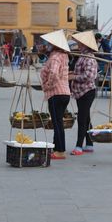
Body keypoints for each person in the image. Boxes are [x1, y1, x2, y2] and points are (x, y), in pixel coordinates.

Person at [40, 30, 71, 160]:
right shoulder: (63, 56)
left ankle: (60, 150)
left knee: (57, 122)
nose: (47, 45)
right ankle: (56, 147)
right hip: (64, 93)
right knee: (57, 121)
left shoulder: (55, 57)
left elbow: (53, 73)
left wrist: (47, 86)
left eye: (49, 43)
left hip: (56, 93)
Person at [69, 31, 98, 156]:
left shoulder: (89, 57)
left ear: (85, 44)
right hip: (80, 92)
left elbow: (89, 76)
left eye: (79, 43)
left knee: (82, 118)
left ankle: (79, 146)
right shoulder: (82, 56)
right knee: (86, 117)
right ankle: (90, 143)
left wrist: (73, 77)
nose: (78, 45)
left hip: (87, 91)